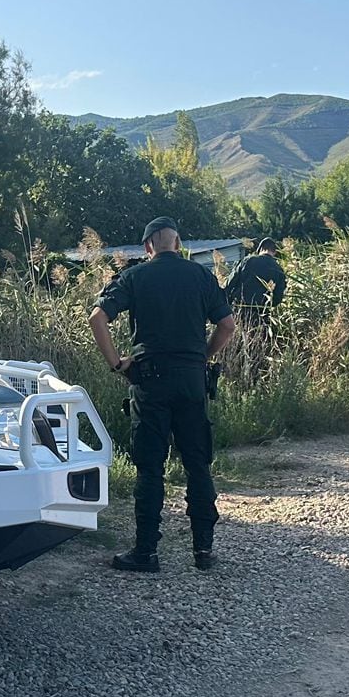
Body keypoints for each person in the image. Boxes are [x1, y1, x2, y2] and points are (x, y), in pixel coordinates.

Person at [91, 217, 236, 573]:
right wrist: (202, 356)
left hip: (150, 380)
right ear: (179, 242)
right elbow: (228, 325)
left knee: (150, 467)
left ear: (147, 247)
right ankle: (203, 551)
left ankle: (146, 552)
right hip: (191, 380)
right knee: (197, 464)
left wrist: (118, 364)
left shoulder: (134, 277)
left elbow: (97, 318)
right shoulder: (201, 276)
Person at [225, 237, 288, 325]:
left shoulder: (248, 260)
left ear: (261, 249)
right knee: (257, 337)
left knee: (237, 337)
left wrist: (227, 302)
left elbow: (230, 283)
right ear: (274, 252)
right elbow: (278, 296)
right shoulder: (279, 269)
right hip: (261, 313)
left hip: (239, 309)